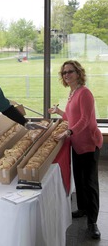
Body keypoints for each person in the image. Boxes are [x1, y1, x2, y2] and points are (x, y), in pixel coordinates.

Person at [48, 60, 103, 240]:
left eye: (70, 72)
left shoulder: (85, 93)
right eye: (64, 73)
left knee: (90, 183)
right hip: (76, 143)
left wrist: (68, 131)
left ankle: (92, 222)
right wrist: (59, 112)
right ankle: (82, 208)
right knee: (79, 180)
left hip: (88, 144)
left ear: (78, 73)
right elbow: (72, 117)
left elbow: (85, 120)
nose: (67, 75)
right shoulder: (73, 92)